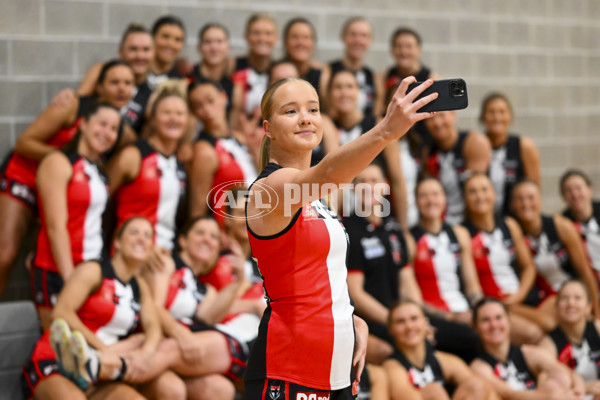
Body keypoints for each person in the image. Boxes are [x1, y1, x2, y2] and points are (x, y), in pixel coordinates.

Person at [243, 75, 439, 398]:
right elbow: (329, 174)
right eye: (290, 111)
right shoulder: (270, 189)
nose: (305, 117)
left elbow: (319, 275)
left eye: (313, 109)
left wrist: (348, 318)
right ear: (268, 129)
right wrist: (386, 131)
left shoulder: (318, 199)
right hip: (289, 366)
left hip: (337, 368)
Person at [0, 60, 135, 295]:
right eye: (114, 83)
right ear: (100, 87)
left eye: (128, 84)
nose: (121, 89)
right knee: (5, 254)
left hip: (65, 187)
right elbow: (24, 143)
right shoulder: (71, 105)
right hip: (25, 175)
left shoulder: (121, 130)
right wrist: (68, 162)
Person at [22, 217, 165, 400]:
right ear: (117, 242)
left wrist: (147, 353)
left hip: (98, 374)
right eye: (134, 232)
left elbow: (153, 325)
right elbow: (61, 312)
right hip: (56, 361)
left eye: (148, 235)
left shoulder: (140, 286)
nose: (141, 239)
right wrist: (103, 350)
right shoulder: (94, 270)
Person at [142, 216, 263, 399]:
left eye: (214, 237)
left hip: (178, 348)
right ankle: (107, 371)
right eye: (200, 233)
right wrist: (180, 333)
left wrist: (238, 281)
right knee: (172, 389)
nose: (207, 239)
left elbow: (208, 317)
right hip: (151, 338)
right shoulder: (166, 263)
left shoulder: (207, 290)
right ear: (182, 240)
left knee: (222, 390)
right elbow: (152, 307)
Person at [31, 102, 121, 331]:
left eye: (113, 128)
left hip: (90, 271)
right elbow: (55, 226)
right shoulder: (59, 162)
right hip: (57, 269)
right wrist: (69, 277)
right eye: (102, 124)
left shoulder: (100, 172)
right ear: (83, 124)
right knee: (57, 346)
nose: (107, 132)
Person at [463, 174, 545, 344]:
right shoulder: (464, 234)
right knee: (537, 331)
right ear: (465, 198)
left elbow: (529, 266)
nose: (480, 196)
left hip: (521, 297)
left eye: (484, 190)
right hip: (497, 304)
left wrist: (519, 295)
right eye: (473, 192)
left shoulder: (510, 225)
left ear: (494, 194)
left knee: (559, 320)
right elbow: (470, 282)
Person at [106, 86, 188, 251]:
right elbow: (102, 201)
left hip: (165, 256)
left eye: (180, 114)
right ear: (153, 117)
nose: (173, 119)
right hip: (130, 255)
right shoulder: (133, 156)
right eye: (166, 113)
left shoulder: (181, 161)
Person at [511, 180, 599, 323]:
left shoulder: (560, 225)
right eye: (520, 199)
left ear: (540, 201)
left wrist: (596, 312)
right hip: (545, 298)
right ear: (512, 205)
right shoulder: (514, 232)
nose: (526, 204)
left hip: (572, 290)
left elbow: (585, 271)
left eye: (531, 198)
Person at [470, 297, 586, 400]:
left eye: (498, 317)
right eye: (485, 320)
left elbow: (568, 373)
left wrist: (578, 392)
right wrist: (551, 397)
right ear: (475, 327)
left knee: (555, 379)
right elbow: (508, 394)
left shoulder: (527, 352)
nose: (494, 325)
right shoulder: (478, 366)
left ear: (509, 321)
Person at [384, 301, 498, 400]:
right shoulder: (392, 366)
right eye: (400, 322)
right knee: (434, 391)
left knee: (477, 385)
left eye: (414, 319)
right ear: (390, 329)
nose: (409, 326)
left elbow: (485, 389)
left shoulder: (443, 360)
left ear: (425, 323)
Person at [410, 177, 483, 324]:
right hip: (433, 316)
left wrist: (481, 310)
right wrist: (449, 317)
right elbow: (412, 296)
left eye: (436, 194)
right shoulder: (410, 239)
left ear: (444, 199)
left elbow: (472, 286)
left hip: (465, 311)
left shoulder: (460, 234)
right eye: (424, 196)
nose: (431, 201)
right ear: (416, 202)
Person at [187, 80, 259, 223]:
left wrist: (255, 148)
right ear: (194, 112)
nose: (207, 109)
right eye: (198, 106)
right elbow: (197, 209)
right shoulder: (204, 150)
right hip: (233, 228)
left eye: (210, 100)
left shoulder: (240, 137)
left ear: (224, 97)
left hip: (259, 221)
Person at [77, 23, 155, 134]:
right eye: (133, 49)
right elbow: (77, 104)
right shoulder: (101, 71)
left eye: (146, 49)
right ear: (121, 51)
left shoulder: (153, 96)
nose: (140, 56)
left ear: (154, 53)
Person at [425, 111, 491, 225]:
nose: (437, 122)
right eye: (431, 118)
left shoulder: (474, 142)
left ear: (453, 115)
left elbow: (478, 195)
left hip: (471, 222)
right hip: (442, 222)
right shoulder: (427, 151)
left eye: (441, 115)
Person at [480, 93, 540, 215]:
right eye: (491, 112)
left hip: (516, 218)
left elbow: (534, 190)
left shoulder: (524, 146)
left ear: (510, 117)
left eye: (502, 112)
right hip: (483, 218)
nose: (497, 117)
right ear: (482, 117)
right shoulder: (476, 145)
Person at [538, 280, 600, 398]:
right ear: (556, 306)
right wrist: (585, 388)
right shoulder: (548, 344)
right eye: (564, 298)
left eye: (577, 298)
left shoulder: (597, 328)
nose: (571, 303)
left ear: (588, 307)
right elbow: (544, 387)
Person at [329, 17, 382, 117]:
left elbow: (376, 115)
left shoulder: (374, 77)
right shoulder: (328, 71)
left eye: (364, 35)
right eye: (353, 34)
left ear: (370, 41)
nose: (358, 40)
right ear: (343, 37)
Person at [230, 14, 277, 122]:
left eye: (268, 34)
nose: (262, 39)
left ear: (275, 38)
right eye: (256, 33)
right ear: (246, 37)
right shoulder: (232, 65)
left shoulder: (279, 69)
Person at [560, 169, 600, 286]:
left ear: (589, 189)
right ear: (563, 196)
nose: (575, 194)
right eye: (568, 190)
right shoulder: (562, 223)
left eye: (578, 188)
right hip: (586, 281)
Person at [188, 23, 235, 112]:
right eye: (208, 42)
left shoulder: (236, 77)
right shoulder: (188, 77)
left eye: (219, 41)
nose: (214, 48)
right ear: (199, 47)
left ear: (228, 47)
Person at [282, 18, 330, 102]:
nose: (300, 42)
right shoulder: (277, 72)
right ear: (285, 42)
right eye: (295, 37)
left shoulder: (321, 74)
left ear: (313, 43)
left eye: (306, 37)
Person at [147, 15, 186, 89]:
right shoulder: (136, 73)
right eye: (165, 36)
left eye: (177, 40)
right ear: (152, 37)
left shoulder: (183, 81)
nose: (170, 44)